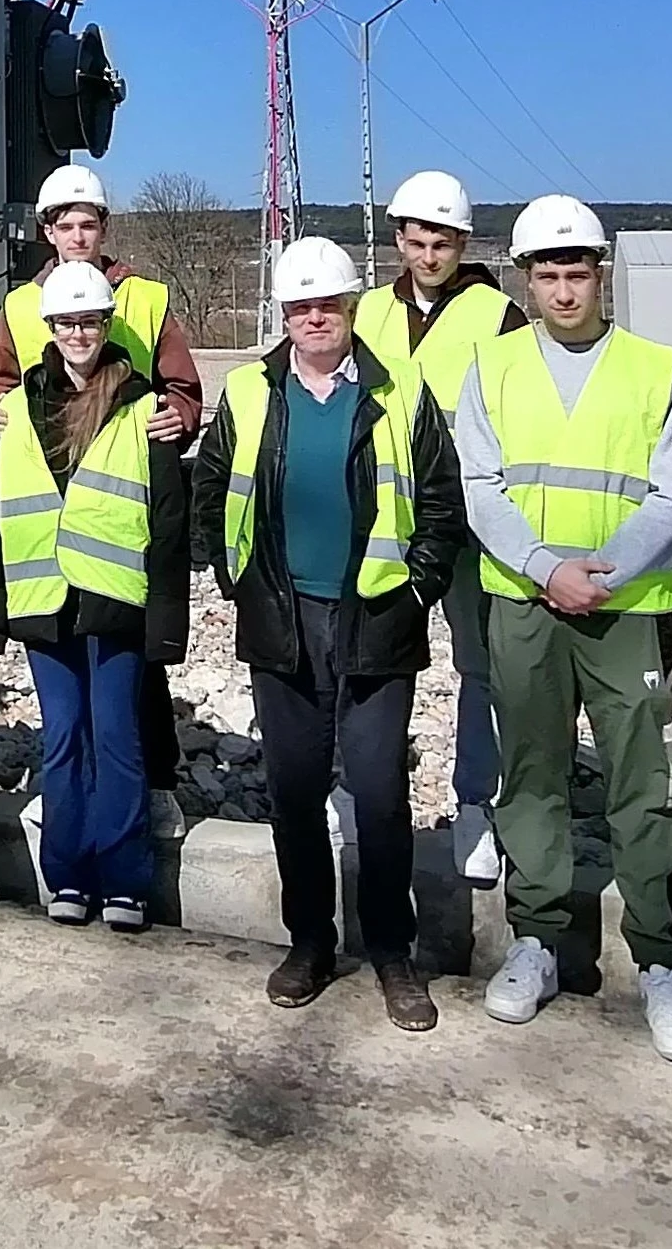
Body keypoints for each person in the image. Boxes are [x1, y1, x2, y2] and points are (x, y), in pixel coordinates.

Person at [192, 237, 466, 1031]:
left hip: (376, 616)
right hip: (282, 618)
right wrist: (235, 580)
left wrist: (418, 586)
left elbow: (441, 501)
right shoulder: (249, 391)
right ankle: (309, 941)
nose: (315, 318)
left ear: (351, 308)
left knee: (379, 794)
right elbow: (213, 487)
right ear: (284, 316)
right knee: (296, 791)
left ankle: (390, 950)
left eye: (329, 305)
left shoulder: (401, 389)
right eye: (301, 307)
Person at [458, 195, 672, 1064]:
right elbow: (480, 484)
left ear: (602, 272)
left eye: (578, 271)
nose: (564, 289)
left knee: (642, 780)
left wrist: (605, 571)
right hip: (528, 600)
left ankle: (660, 958)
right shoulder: (492, 366)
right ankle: (537, 938)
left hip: (624, 605)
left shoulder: (657, 364)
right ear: (526, 279)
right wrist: (544, 567)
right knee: (533, 771)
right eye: (548, 273)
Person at [0, 259, 192, 934]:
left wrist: (166, 622)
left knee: (119, 739)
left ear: (105, 323)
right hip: (45, 600)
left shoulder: (142, 407)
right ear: (50, 327)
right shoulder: (16, 409)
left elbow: (169, 520)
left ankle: (125, 881)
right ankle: (67, 873)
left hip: (114, 598)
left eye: (89, 320)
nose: (78, 332)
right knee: (63, 739)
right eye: (66, 321)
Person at [0, 164, 204, 811]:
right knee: (61, 654)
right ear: (48, 231)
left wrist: (177, 416)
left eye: (89, 223)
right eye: (66, 224)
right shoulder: (21, 307)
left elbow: (182, 387)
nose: (78, 234)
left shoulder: (146, 299)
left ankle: (156, 779)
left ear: (104, 227)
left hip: (117, 493)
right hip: (49, 498)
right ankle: (70, 781)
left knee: (135, 657)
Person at [352, 168, 523, 888]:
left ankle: (476, 803)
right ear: (399, 239)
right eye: (417, 241)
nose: (428, 255)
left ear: (463, 243)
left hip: (467, 519)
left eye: (442, 242)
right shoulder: (363, 310)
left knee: (479, 665)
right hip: (386, 516)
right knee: (365, 660)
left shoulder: (497, 314)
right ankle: (355, 790)